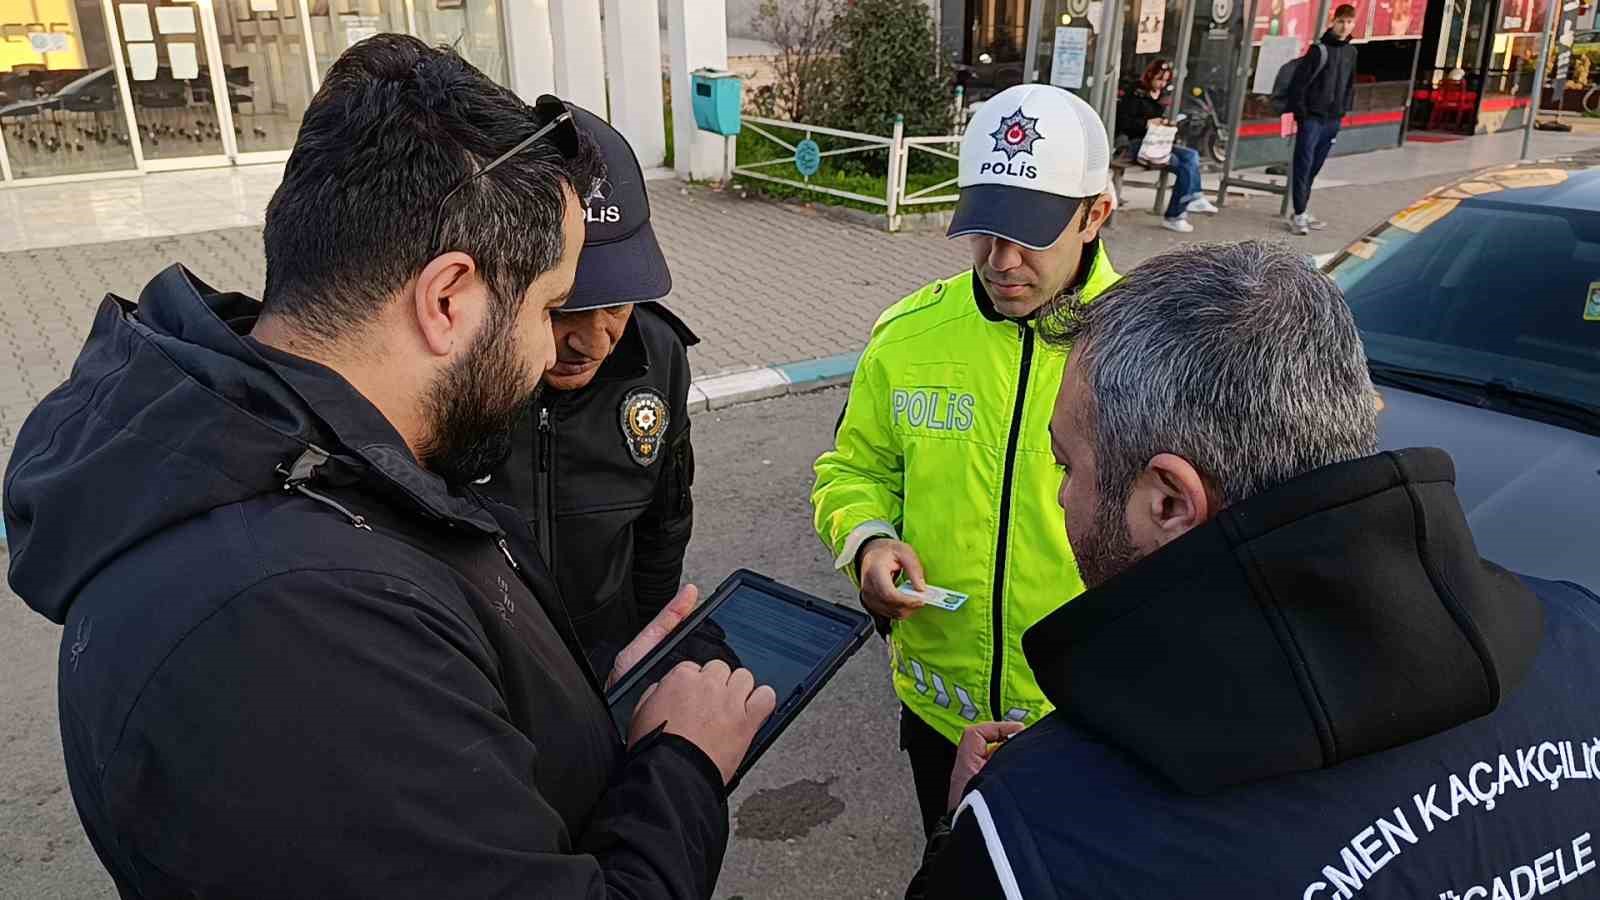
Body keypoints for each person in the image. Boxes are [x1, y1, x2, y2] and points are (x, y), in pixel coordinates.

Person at [3, 35, 775, 898]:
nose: (554, 352)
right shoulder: (288, 624)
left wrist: (591, 706)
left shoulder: (325, 467)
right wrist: (683, 764)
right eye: (550, 306)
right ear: (448, 299)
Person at [909, 241, 1600, 897]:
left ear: (1170, 503)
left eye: (1067, 464)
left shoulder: (1044, 832)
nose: (1061, 492)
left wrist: (970, 828)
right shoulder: (1582, 636)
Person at [811, 83, 1120, 841]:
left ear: (1096, 214)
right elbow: (850, 471)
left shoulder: (1152, 347)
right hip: (939, 711)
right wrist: (868, 544)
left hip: (1092, 718)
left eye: (1032, 234)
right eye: (983, 228)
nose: (1001, 260)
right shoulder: (908, 335)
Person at [480, 103, 698, 678]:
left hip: (613, 657)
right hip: (493, 668)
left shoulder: (660, 354)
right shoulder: (460, 368)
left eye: (620, 303)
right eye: (568, 308)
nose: (596, 342)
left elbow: (665, 522)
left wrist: (647, 647)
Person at [1115, 58, 1218, 234]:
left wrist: (1164, 123)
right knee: (1181, 164)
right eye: (1159, 79)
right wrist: (1147, 123)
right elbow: (1123, 122)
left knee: (1191, 155)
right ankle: (1176, 214)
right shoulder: (1135, 93)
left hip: (1157, 142)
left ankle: (1195, 197)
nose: (1162, 84)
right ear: (1150, 76)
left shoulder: (1161, 95)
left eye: (1165, 80)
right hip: (1135, 144)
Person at [1286, 4, 1359, 235]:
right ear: (1333, 21)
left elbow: (1349, 84)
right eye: (1341, 21)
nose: (1345, 26)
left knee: (1315, 166)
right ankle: (1298, 215)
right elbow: (1299, 84)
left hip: (1332, 119)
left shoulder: (1351, 52)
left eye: (1349, 22)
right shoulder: (1318, 50)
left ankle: (1302, 209)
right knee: (1304, 164)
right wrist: (1302, 114)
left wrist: (1343, 110)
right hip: (1312, 119)